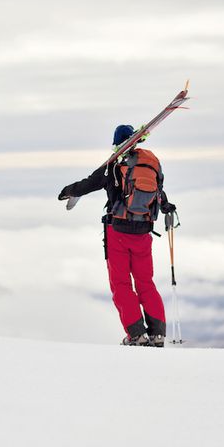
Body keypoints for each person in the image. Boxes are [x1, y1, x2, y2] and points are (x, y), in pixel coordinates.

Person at [58, 124, 176, 347]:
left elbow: (88, 184)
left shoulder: (113, 167)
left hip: (118, 233)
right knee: (145, 282)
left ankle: (136, 335)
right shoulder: (151, 162)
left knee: (121, 284)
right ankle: (157, 334)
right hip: (143, 232)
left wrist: (67, 191)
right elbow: (158, 193)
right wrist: (167, 206)